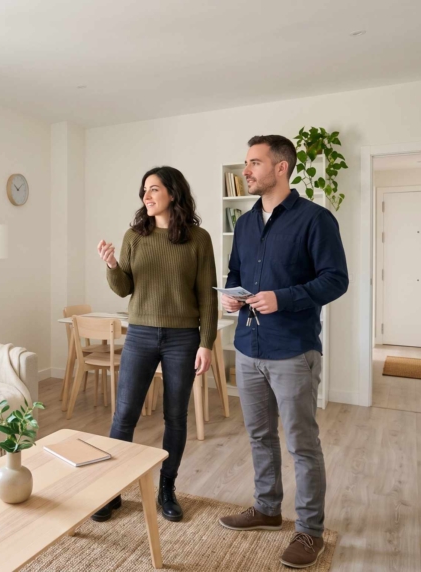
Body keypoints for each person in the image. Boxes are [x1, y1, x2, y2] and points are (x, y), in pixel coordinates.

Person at [217, 135, 348, 569]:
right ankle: (267, 509)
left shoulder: (315, 219)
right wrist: (231, 297)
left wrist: (284, 298)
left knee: (302, 445)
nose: (246, 171)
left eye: (254, 162)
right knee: (259, 437)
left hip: (293, 350)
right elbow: (236, 271)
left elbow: (335, 280)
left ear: (282, 168)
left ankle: (310, 533)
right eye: (246, 162)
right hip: (249, 347)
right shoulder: (246, 222)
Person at [92, 165, 219, 523]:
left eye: (154, 189)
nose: (146, 196)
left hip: (183, 338)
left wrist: (206, 342)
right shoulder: (135, 235)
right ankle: (112, 490)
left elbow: (207, 297)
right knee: (124, 415)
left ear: (173, 193)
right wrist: (112, 263)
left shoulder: (199, 238)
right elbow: (124, 287)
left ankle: (167, 488)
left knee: (175, 417)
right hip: (141, 335)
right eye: (144, 191)